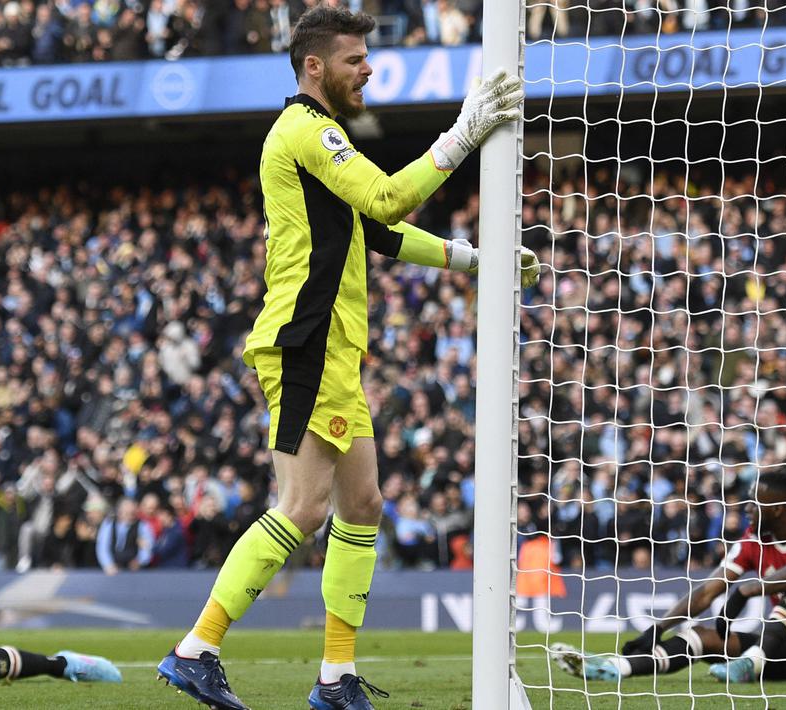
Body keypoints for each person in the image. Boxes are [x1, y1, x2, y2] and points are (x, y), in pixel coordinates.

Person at [155, 7, 533, 710]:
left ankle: (334, 678)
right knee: (301, 508)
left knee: (362, 503)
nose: (367, 68)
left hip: (334, 349)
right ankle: (194, 649)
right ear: (313, 67)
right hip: (303, 343)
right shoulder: (306, 129)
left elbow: (379, 230)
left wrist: (471, 259)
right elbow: (387, 196)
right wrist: (463, 132)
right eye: (355, 58)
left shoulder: (318, 140)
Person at [549, 468, 786, 685]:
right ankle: (615, 667)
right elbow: (708, 590)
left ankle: (753, 660)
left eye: (755, 503)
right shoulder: (754, 540)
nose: (747, 509)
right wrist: (657, 628)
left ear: (778, 508)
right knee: (699, 636)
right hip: (783, 650)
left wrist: (748, 590)